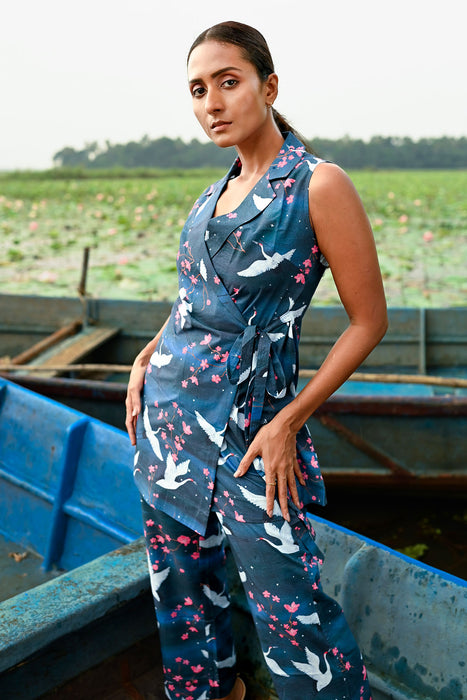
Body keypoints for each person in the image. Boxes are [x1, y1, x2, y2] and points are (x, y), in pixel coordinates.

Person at [125, 20, 387, 700]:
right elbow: (196, 297)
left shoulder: (316, 185)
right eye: (197, 89)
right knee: (182, 594)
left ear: (268, 88)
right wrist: (148, 356)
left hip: (252, 433)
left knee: (292, 615)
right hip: (170, 423)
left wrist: (290, 422)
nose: (212, 102)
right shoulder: (212, 194)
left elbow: (368, 321)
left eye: (228, 82)